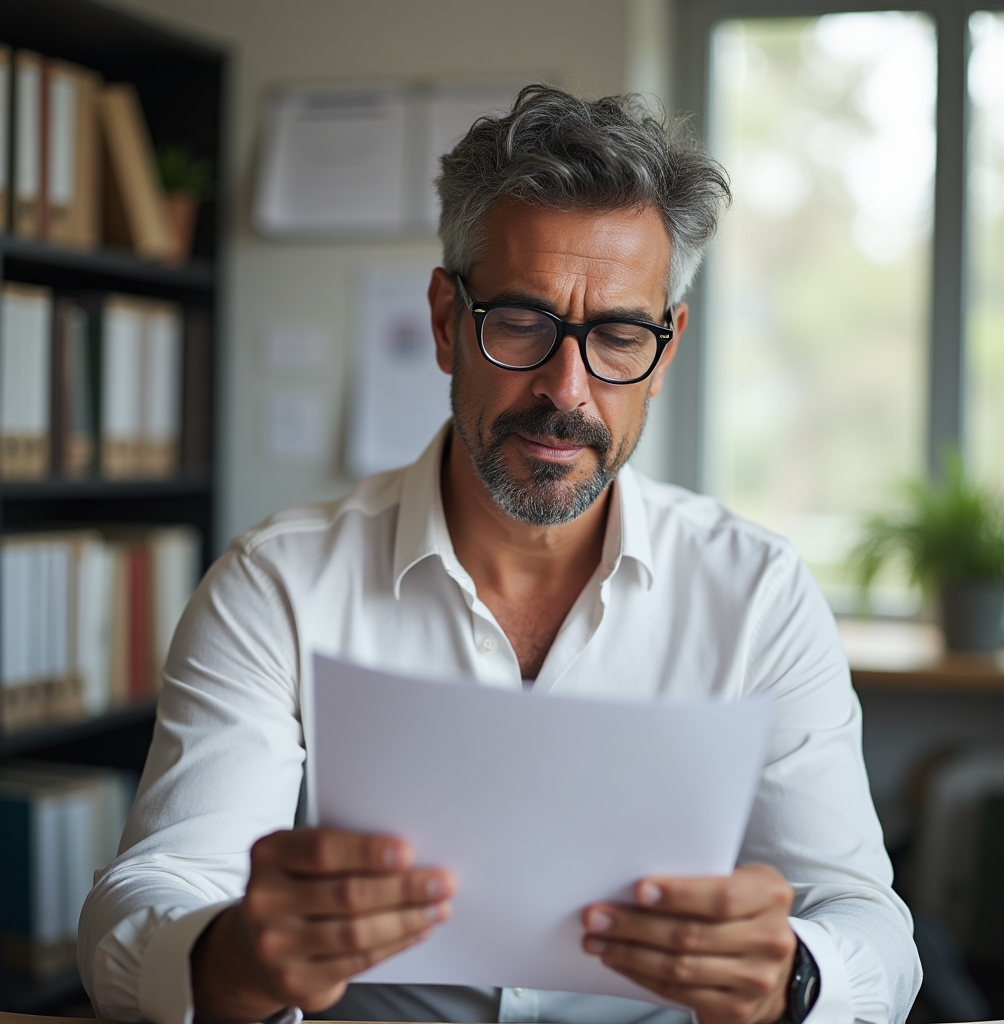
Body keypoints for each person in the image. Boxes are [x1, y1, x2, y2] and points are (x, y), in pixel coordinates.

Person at [79, 86, 922, 1024]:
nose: (567, 390)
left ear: (667, 347)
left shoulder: (758, 593)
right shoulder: (277, 583)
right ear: (446, 320)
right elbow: (155, 884)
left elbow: (868, 924)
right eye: (521, 322)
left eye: (617, 334)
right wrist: (229, 960)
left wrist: (790, 979)